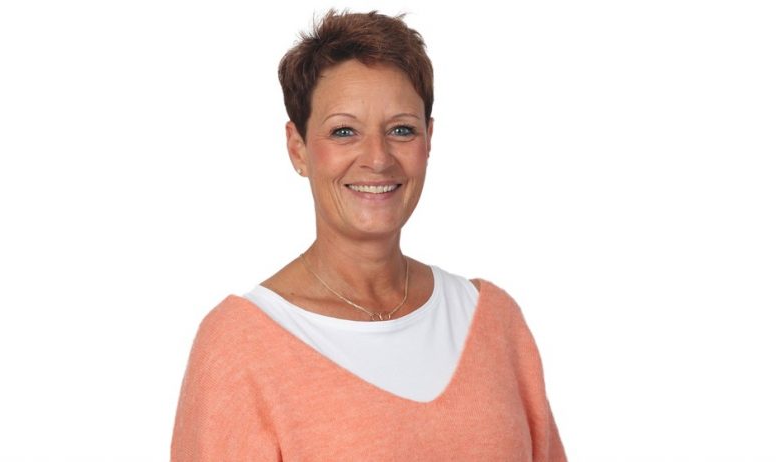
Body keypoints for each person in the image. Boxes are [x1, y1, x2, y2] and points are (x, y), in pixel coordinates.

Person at [171, 10, 566, 461]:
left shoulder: (493, 321)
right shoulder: (240, 346)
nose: (377, 158)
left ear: (428, 140)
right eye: (344, 131)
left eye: (401, 130)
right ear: (298, 148)